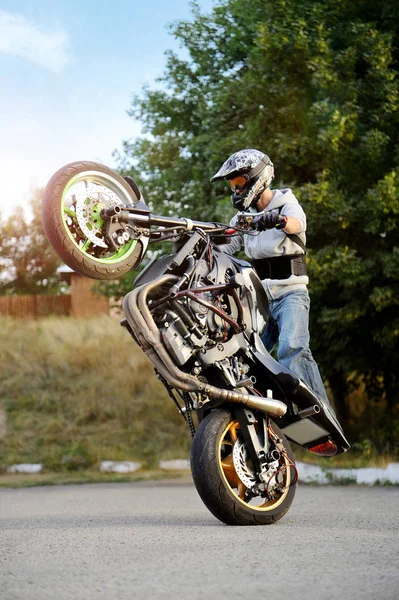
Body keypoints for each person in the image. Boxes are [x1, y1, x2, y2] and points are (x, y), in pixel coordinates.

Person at [210, 148, 328, 403]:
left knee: (291, 348)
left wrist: (278, 220)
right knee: (247, 355)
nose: (236, 189)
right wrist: (205, 245)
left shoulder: (288, 204)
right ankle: (256, 410)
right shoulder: (243, 218)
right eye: (232, 184)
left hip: (290, 294)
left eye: (239, 182)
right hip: (260, 299)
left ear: (257, 178)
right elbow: (227, 247)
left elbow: (297, 224)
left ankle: (318, 408)